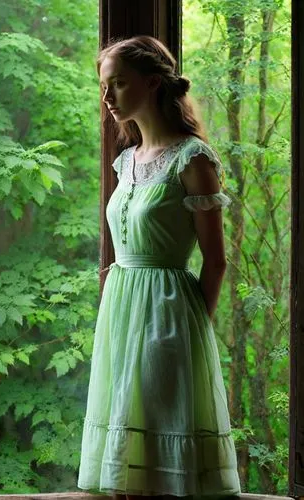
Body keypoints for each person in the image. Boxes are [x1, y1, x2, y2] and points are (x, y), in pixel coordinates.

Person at [77, 35, 241, 500]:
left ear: (152, 84)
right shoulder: (125, 161)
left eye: (119, 84)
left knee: (162, 470)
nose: (108, 97)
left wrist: (195, 331)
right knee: (127, 470)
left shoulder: (193, 158)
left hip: (169, 316)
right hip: (119, 316)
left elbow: (216, 260)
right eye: (104, 86)